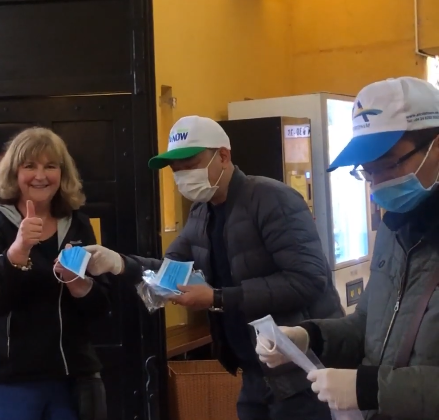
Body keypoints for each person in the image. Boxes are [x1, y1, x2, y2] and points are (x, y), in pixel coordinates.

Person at [83, 116, 343, 420]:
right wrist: (118, 263)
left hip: (304, 370)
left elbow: (308, 279)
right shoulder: (201, 211)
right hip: (255, 370)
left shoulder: (272, 199)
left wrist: (217, 298)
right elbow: (172, 270)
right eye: (176, 169)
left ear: (223, 156)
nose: (183, 175)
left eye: (191, 163)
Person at [256, 77, 439, 419]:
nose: (377, 184)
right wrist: (309, 336)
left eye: (388, 164)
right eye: (367, 171)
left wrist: (371, 389)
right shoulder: (396, 229)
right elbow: (368, 324)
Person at [0, 127, 111, 420]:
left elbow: (101, 308)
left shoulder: (78, 224)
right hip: (9, 379)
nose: (40, 175)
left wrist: (77, 283)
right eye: (29, 166)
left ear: (62, 173)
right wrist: (18, 249)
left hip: (72, 375)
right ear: (14, 172)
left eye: (50, 166)